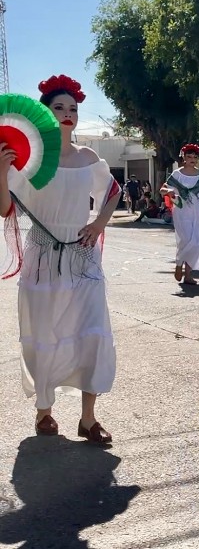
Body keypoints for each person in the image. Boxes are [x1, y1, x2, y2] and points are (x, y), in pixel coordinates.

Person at [0, 74, 121, 443]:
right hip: (42, 260)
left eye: (73, 108)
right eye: (59, 108)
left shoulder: (89, 157)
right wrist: (2, 171)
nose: (67, 114)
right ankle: (44, 412)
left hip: (83, 260)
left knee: (92, 333)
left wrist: (98, 222)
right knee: (44, 333)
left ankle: (88, 418)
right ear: (45, 113)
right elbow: (6, 210)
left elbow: (112, 190)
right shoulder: (30, 162)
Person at [160, 144, 199, 285]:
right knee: (185, 240)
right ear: (183, 157)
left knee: (196, 242)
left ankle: (188, 274)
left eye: (195, 157)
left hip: (197, 210)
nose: (192, 159)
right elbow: (163, 189)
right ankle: (179, 265)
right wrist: (170, 192)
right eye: (189, 156)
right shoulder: (177, 174)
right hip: (181, 210)